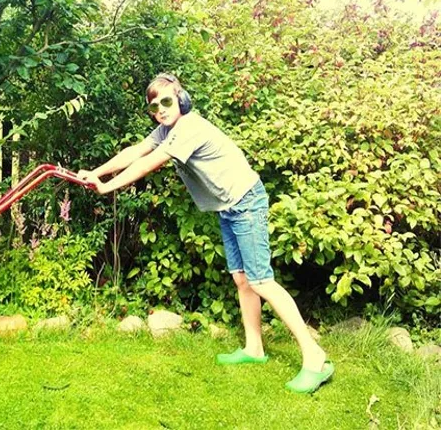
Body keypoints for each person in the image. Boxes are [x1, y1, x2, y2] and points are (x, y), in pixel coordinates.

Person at [78, 73, 334, 393]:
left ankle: (315, 356)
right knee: (242, 279)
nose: (161, 109)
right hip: (228, 206)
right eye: (154, 106)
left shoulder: (190, 128)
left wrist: (107, 187)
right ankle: (254, 348)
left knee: (261, 281)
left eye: (167, 101)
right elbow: (136, 151)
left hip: (246, 201)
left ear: (181, 99)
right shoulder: (165, 130)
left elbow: (150, 163)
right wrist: (96, 172)